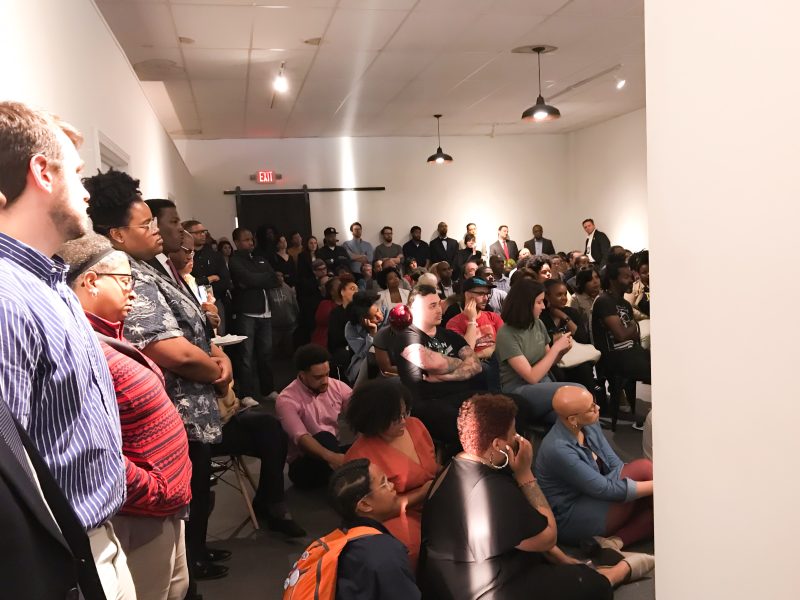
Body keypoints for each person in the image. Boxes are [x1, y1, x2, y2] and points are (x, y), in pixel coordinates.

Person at [0, 102, 135, 599]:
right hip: (61, 561)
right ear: (41, 173)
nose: (84, 192)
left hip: (95, 538)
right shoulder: (7, 299)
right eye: (75, 174)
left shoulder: (48, 280)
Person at [86, 171, 233, 586]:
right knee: (172, 533)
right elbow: (168, 349)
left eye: (156, 222)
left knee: (197, 497)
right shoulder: (132, 275)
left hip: (193, 404)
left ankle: (198, 553)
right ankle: (194, 559)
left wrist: (217, 356)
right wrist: (218, 371)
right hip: (176, 407)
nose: (156, 231)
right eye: (146, 224)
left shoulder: (156, 269)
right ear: (116, 234)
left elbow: (197, 330)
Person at [60, 234, 193, 600]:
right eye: (124, 280)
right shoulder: (81, 345)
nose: (133, 291)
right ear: (90, 281)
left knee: (173, 589)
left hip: (162, 503)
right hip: (138, 510)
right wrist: (151, 487)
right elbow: (83, 439)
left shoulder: (111, 337)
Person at [418, 394, 651, 600]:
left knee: (563, 567)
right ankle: (615, 574)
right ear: (499, 444)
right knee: (587, 584)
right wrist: (525, 473)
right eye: (513, 433)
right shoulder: (493, 490)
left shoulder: (453, 466)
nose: (518, 438)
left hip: (448, 578)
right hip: (484, 586)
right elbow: (547, 537)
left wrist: (563, 560)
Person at [535, 387, 655, 547]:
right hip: (572, 514)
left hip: (595, 493)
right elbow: (604, 489)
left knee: (654, 508)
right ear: (572, 419)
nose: (597, 408)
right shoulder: (558, 449)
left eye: (594, 403)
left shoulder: (588, 424)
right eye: (591, 408)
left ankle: (614, 543)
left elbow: (614, 463)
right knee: (644, 470)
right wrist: (659, 485)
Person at [288, 459, 420, 599]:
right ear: (364, 505)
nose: (392, 486)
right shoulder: (385, 552)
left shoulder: (338, 540)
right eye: (384, 484)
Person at [344, 380, 438, 569]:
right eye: (396, 418)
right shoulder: (360, 456)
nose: (404, 421)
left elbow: (434, 465)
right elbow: (375, 510)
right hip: (397, 513)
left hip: (435, 495)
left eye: (406, 413)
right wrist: (421, 494)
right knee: (409, 548)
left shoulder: (415, 425)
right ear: (375, 420)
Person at [392, 284, 482, 443]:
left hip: (463, 395)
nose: (439, 310)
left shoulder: (450, 335)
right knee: (468, 427)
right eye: (432, 306)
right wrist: (461, 362)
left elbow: (476, 365)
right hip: (429, 401)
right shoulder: (406, 337)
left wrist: (444, 377)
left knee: (510, 405)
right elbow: (437, 364)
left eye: (439, 304)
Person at [495, 279, 584, 425]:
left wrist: (561, 352)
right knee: (579, 392)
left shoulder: (537, 323)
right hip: (520, 391)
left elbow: (547, 361)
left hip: (542, 384)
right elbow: (531, 377)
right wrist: (556, 349)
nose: (543, 306)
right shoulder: (506, 334)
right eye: (539, 302)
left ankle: (596, 448)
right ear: (525, 304)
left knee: (579, 417)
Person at [276, 344, 353, 489]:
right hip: (304, 462)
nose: (325, 381)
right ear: (302, 375)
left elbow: (359, 412)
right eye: (318, 377)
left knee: (365, 446)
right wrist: (332, 458)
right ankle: (348, 482)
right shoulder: (286, 399)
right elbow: (301, 438)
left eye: (327, 374)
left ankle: (346, 480)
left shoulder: (337, 386)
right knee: (324, 437)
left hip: (333, 450)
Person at [229, 227, 280, 401]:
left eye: (251, 239)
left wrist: (255, 280)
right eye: (246, 239)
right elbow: (246, 279)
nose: (250, 242)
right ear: (236, 242)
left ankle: (268, 390)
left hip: (266, 312)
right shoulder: (234, 260)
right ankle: (247, 394)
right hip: (247, 312)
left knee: (265, 355)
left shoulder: (260, 259)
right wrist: (260, 278)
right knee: (246, 356)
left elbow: (275, 279)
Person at [592, 258, 651, 383]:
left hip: (631, 352)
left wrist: (631, 328)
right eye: (626, 277)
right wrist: (632, 326)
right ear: (613, 280)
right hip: (615, 357)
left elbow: (634, 335)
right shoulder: (604, 301)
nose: (631, 280)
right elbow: (621, 335)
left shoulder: (625, 304)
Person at [445, 277, 504, 392]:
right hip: (477, 368)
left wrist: (486, 352)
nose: (486, 298)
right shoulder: (454, 323)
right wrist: (472, 320)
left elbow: (505, 343)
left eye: (487, 294)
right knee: (484, 368)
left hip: (497, 360)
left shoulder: (493, 317)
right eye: (481, 294)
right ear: (467, 295)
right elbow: (467, 353)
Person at [185, 220, 232, 333]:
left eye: (204, 232)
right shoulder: (185, 255)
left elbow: (225, 280)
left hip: (215, 299)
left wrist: (205, 288)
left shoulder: (214, 255)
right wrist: (208, 279)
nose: (203, 234)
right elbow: (186, 281)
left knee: (220, 334)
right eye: (198, 232)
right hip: (192, 301)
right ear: (188, 234)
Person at [344, 291, 384, 383]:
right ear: (363, 320)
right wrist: (372, 334)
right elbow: (363, 353)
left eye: (377, 310)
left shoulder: (388, 314)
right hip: (365, 360)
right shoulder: (351, 328)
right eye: (374, 317)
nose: (379, 316)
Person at [328, 274, 359, 378]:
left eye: (357, 290)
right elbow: (335, 337)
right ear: (342, 292)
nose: (356, 292)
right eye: (352, 289)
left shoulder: (361, 312)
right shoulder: (336, 313)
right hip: (343, 349)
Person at [269, 271, 300, 357]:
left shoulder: (288, 289)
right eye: (277, 276)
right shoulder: (268, 291)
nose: (280, 278)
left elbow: (295, 304)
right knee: (274, 351)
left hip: (290, 325)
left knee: (289, 350)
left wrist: (296, 317)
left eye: (282, 276)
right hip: (274, 327)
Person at [311, 276, 341, 348]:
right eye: (339, 285)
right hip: (325, 342)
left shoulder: (350, 303)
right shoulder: (325, 304)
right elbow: (322, 319)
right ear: (331, 291)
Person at [625, 250, 650, 321]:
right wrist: (646, 317)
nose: (648, 274)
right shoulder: (634, 287)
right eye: (644, 272)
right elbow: (628, 307)